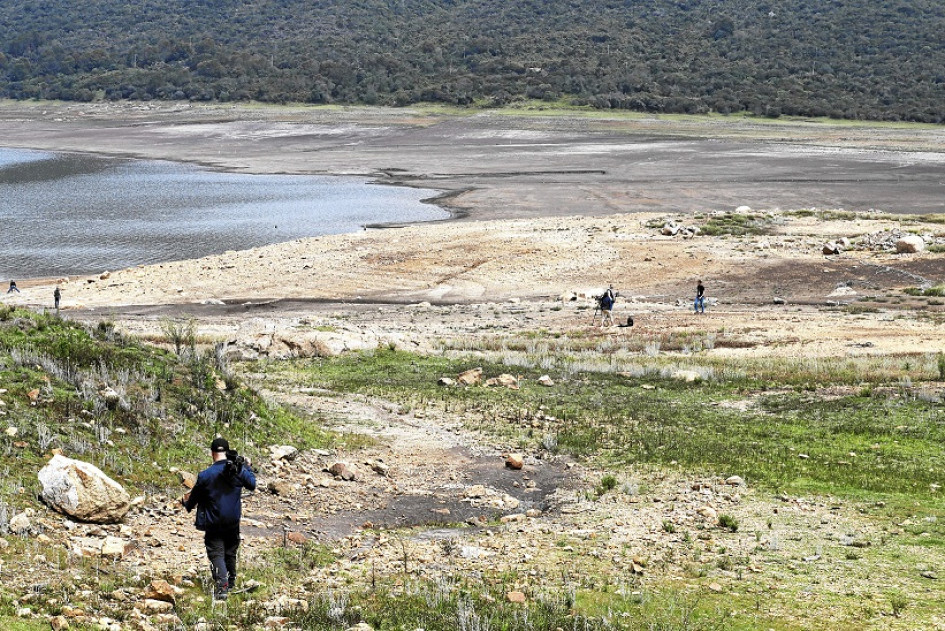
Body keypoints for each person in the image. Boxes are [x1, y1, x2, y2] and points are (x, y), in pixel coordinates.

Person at [183, 437, 256, 600]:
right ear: (227, 452)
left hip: (213, 522)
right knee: (230, 552)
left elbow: (193, 499)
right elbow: (252, 484)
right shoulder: (238, 470)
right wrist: (247, 467)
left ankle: (222, 588)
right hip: (232, 521)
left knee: (216, 553)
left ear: (212, 453)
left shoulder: (205, 475)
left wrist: (186, 505)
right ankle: (230, 583)